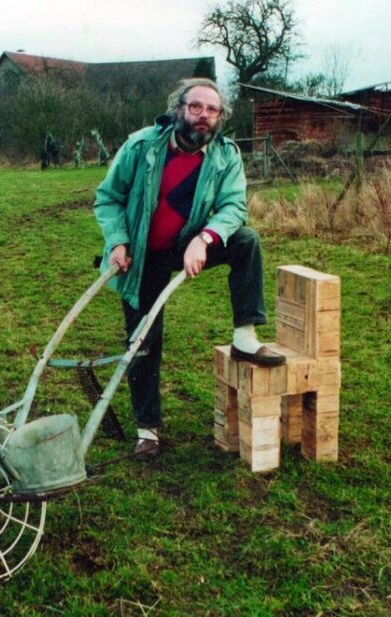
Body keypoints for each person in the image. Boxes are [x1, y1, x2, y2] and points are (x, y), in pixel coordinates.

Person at [93, 78, 283, 460]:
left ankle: (245, 335)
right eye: (196, 107)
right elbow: (108, 198)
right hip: (141, 254)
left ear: (220, 117)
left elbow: (234, 207)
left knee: (245, 240)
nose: (204, 116)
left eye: (212, 110)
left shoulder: (225, 155)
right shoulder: (142, 145)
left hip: (187, 245)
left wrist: (206, 238)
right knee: (143, 341)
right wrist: (118, 241)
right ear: (179, 109)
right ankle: (147, 430)